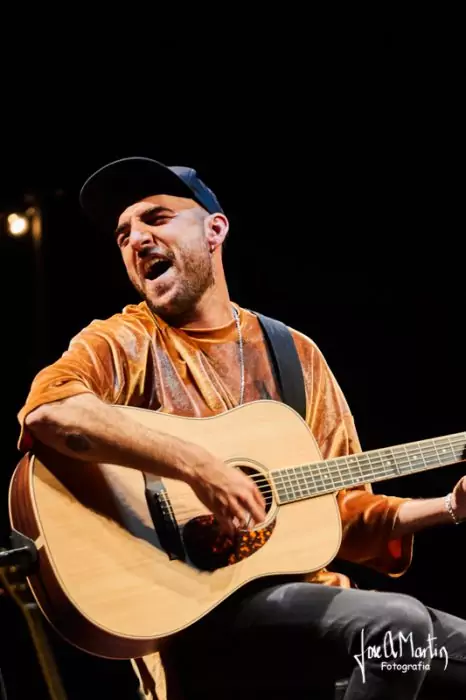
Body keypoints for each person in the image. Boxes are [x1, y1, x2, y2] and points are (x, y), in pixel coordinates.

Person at [17, 156, 466, 700]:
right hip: (199, 615)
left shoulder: (293, 354)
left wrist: (448, 507)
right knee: (399, 627)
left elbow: (342, 512)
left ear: (215, 230)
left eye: (156, 218)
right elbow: (52, 412)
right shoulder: (124, 341)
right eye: (123, 234)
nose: (136, 239)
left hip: (308, 605)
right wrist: (199, 468)